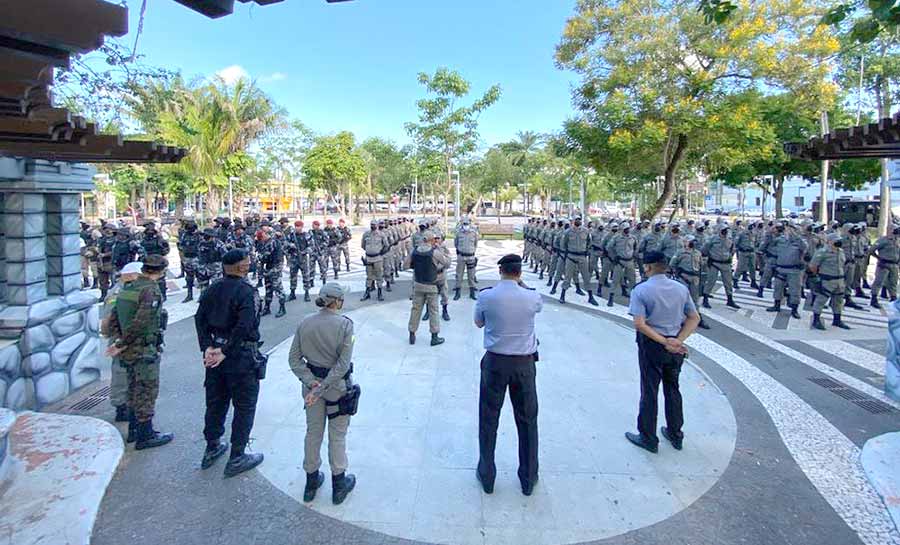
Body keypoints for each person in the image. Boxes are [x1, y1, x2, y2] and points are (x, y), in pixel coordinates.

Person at [474, 254, 542, 496]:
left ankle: (487, 475)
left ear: (500, 270)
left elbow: (478, 323)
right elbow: (536, 307)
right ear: (520, 272)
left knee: (489, 419)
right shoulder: (532, 296)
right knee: (527, 421)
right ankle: (528, 477)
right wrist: (520, 285)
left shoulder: (486, 296)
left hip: (495, 363)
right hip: (524, 365)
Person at [194, 249, 266, 478]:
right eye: (247, 262)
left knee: (216, 402)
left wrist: (208, 347)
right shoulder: (246, 291)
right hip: (239, 357)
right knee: (244, 406)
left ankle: (212, 445)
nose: (250, 264)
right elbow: (245, 325)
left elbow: (199, 319)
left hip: (215, 354)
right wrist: (225, 351)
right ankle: (237, 455)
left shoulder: (212, 288)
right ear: (241, 267)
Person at [288, 283, 358, 505]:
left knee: (313, 433)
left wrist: (313, 385)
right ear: (337, 301)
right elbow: (342, 365)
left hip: (311, 390)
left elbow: (294, 360)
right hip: (336, 389)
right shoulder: (345, 325)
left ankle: (311, 482)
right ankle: (339, 486)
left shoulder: (304, 323)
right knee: (337, 435)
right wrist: (324, 386)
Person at [625, 250, 700, 454]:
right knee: (673, 388)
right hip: (675, 344)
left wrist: (663, 341)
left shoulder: (641, 290)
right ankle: (676, 434)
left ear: (647, 267)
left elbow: (640, 324)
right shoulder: (681, 288)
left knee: (650, 390)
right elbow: (694, 318)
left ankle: (648, 438)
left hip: (652, 344)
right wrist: (677, 341)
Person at [104, 255, 172, 450]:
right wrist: (124, 342)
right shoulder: (150, 291)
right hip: (143, 348)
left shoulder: (127, 288)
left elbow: (114, 318)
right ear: (161, 271)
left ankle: (134, 430)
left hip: (128, 349)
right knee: (146, 391)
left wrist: (119, 342)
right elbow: (141, 322)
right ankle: (145, 435)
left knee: (132, 389)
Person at [100, 261, 144, 426]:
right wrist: (109, 336)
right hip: (121, 337)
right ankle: (121, 406)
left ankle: (128, 403)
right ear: (132, 275)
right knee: (121, 371)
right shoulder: (118, 293)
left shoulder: (128, 290)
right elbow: (107, 320)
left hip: (127, 336)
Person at [405, 231, 450, 346]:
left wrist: (414, 266)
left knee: (415, 310)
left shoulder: (414, 251)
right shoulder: (434, 252)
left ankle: (412, 333)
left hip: (418, 285)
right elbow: (446, 263)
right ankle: (434, 337)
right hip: (431, 286)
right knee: (433, 311)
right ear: (431, 240)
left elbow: (404, 265)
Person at [809, 234, 851, 330]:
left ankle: (837, 320)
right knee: (821, 300)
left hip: (839, 280)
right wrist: (817, 277)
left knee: (838, 301)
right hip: (827, 280)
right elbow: (813, 266)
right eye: (836, 240)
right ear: (829, 241)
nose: (838, 242)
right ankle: (816, 320)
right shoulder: (823, 252)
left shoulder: (840, 251)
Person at [869, 226, 900, 309]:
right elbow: (872, 249)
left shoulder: (897, 241)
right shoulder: (884, 240)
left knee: (893, 282)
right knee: (879, 281)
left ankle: (893, 298)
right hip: (884, 264)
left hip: (894, 265)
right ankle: (874, 298)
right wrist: (879, 258)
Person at [454, 217, 479, 300]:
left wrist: (472, 251)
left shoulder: (474, 233)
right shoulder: (458, 233)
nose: (466, 226)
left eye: (467, 224)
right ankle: (458, 292)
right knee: (459, 275)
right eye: (464, 224)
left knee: (471, 275)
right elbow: (456, 243)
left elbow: (476, 243)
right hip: (461, 256)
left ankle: (472, 293)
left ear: (470, 224)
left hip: (471, 256)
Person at [178, 219, 201, 302]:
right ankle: (189, 295)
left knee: (200, 277)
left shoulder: (199, 235)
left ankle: (201, 296)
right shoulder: (184, 235)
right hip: (187, 258)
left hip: (197, 258)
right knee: (189, 278)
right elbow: (180, 245)